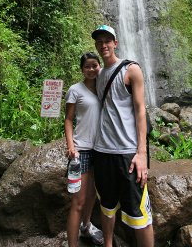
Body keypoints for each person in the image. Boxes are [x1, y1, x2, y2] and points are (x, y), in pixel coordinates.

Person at [91, 25, 154, 247]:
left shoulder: (131, 70)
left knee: (139, 215)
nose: (103, 45)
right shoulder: (97, 75)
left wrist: (142, 153)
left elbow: (140, 110)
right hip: (102, 152)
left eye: (107, 40)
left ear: (115, 43)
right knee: (107, 207)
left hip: (128, 154)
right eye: (99, 42)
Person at [64, 52, 104, 247]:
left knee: (92, 195)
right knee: (78, 202)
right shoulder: (75, 90)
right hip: (82, 150)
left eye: (94, 65)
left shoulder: (104, 88)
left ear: (100, 67)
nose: (91, 69)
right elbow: (68, 120)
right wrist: (71, 146)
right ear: (82, 69)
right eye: (87, 66)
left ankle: (86, 226)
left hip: (103, 149)